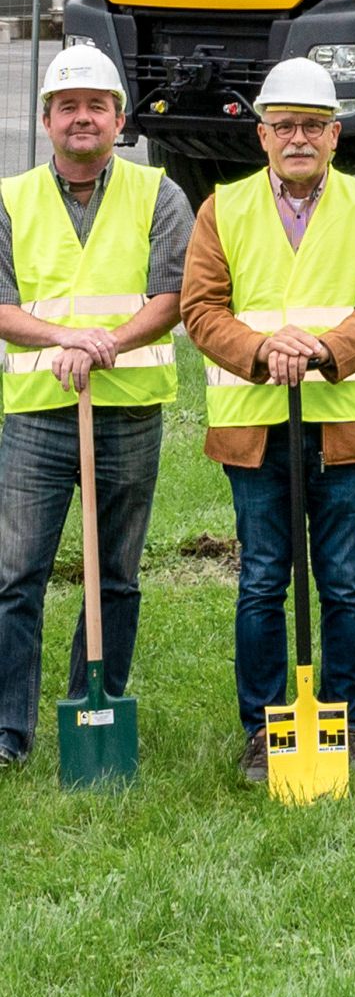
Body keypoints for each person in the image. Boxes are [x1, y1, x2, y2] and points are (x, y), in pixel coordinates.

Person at [181, 57, 355, 782]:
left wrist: (324, 350)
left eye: (312, 126)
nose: (299, 138)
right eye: (285, 126)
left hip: (342, 422)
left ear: (336, 135)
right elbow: (201, 309)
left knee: (341, 578)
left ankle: (347, 725)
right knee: (262, 578)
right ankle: (263, 730)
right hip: (254, 424)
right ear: (263, 136)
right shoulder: (224, 208)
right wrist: (261, 348)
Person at [0, 46, 192, 768]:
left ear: (119, 119)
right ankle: (7, 732)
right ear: (47, 120)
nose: (83, 118)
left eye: (97, 106)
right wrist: (64, 339)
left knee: (115, 575)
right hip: (37, 418)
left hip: (129, 414)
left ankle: (96, 703)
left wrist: (105, 344)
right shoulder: (10, 199)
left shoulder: (159, 195)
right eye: (68, 106)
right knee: (15, 577)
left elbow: (170, 297)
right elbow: (2, 306)